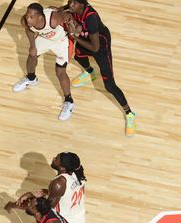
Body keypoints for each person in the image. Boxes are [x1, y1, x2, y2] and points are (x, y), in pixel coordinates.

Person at [63, 0, 137, 136]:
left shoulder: (91, 18)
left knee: (109, 85)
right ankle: (90, 73)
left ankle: (130, 113)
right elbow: (64, 10)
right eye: (70, 1)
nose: (70, 5)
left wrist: (73, 35)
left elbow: (95, 48)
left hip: (100, 46)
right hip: (87, 38)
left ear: (82, 4)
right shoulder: (74, 7)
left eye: (74, 3)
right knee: (78, 56)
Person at [13, 3, 75, 121]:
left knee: (60, 71)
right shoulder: (25, 21)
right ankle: (31, 79)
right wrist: (32, 45)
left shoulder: (53, 19)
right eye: (27, 15)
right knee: (32, 55)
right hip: (46, 39)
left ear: (40, 17)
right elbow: (29, 30)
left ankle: (69, 101)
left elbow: (68, 17)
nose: (28, 18)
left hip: (61, 40)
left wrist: (73, 30)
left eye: (31, 16)